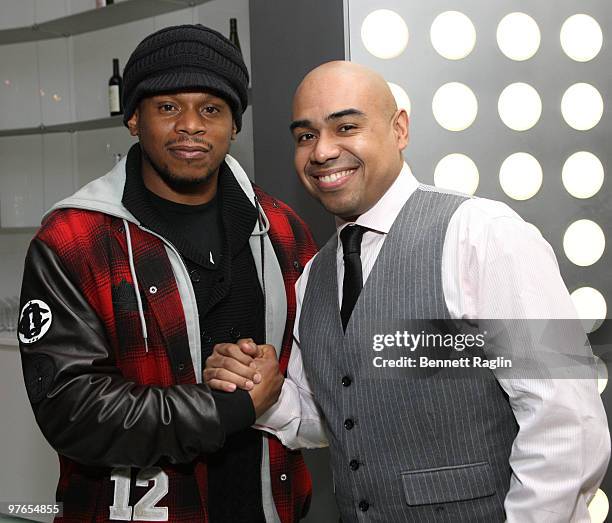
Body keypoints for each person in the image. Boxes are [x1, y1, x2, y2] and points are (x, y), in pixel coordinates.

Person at [205, 61, 610, 522]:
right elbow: (338, 415)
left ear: (399, 129)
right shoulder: (316, 275)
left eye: (346, 126)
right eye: (306, 136)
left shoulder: (484, 235)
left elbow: (567, 422)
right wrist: (268, 392)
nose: (322, 151)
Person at [18, 24, 317, 523]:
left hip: (268, 507)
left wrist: (274, 384)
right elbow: (72, 410)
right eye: (169, 107)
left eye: (211, 109)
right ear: (134, 118)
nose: (191, 125)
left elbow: (331, 381)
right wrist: (228, 409)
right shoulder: (74, 239)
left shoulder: (283, 230)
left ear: (234, 125)